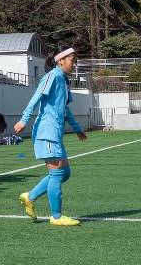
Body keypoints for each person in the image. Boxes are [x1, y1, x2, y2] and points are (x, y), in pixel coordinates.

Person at [16, 47, 88, 227]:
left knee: (65, 174)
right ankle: (56, 216)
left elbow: (65, 109)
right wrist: (24, 119)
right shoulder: (52, 76)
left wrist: (78, 128)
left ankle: (30, 196)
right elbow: (36, 98)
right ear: (60, 60)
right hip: (46, 132)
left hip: (56, 134)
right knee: (56, 174)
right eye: (72, 60)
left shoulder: (64, 80)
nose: (74, 64)